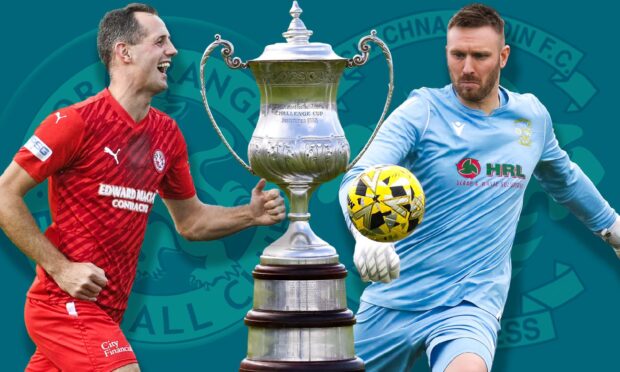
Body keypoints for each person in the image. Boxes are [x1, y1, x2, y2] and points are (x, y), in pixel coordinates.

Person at [0, 3, 286, 371]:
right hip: (63, 304)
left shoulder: (167, 134)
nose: (173, 51)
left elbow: (191, 222)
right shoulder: (73, 122)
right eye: (160, 41)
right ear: (124, 52)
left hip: (108, 312)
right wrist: (61, 268)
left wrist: (251, 214)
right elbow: (5, 193)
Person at [338, 3, 620, 372]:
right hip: (394, 299)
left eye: (480, 56)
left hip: (469, 306)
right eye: (458, 54)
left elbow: (563, 178)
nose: (467, 68)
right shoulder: (421, 111)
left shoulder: (531, 117)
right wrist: (369, 235)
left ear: (503, 57)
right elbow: (361, 173)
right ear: (447, 53)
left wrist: (613, 229)